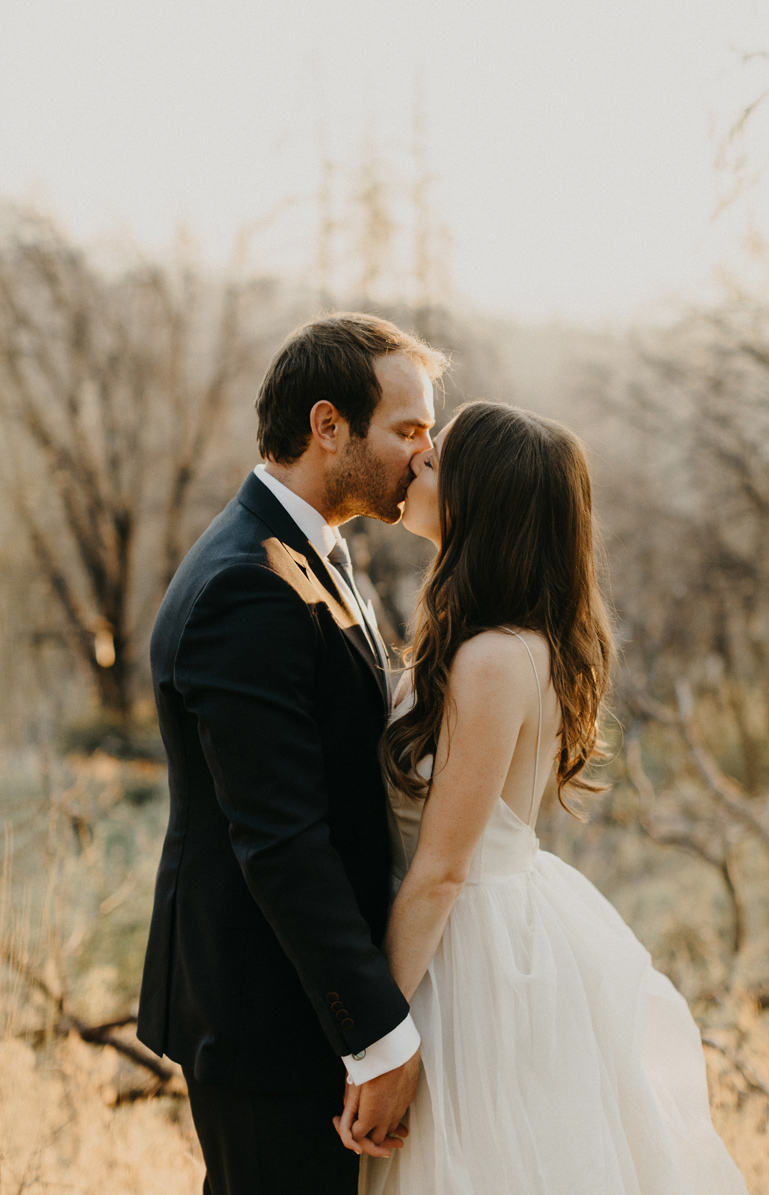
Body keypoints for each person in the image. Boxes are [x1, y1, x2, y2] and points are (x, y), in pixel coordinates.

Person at [349, 401, 747, 1194]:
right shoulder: (501, 636)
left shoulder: (495, 657)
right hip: (486, 924)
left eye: (436, 464)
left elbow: (441, 871)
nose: (417, 463)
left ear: (480, 502)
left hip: (469, 952)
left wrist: (377, 1040)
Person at [138, 314, 441, 1193]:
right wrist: (378, 1033)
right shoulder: (248, 583)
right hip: (264, 1008)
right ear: (327, 425)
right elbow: (278, 835)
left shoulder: (312, 552)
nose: (424, 456)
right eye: (409, 429)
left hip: (298, 996)